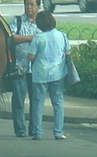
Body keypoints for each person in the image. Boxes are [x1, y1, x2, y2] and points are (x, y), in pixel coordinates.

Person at [27, 11, 70, 141]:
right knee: (58, 103)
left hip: (40, 74)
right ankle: (58, 132)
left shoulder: (38, 38)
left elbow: (31, 56)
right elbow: (67, 51)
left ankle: (38, 132)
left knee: (38, 103)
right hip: (58, 73)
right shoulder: (62, 35)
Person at [9, 0, 42, 138]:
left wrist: (24, 40)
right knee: (18, 99)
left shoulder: (43, 23)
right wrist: (30, 38)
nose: (29, 7)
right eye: (27, 4)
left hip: (37, 69)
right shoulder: (17, 21)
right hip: (19, 67)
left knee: (36, 101)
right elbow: (11, 37)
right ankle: (20, 129)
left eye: (32, 5)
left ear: (38, 7)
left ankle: (35, 129)